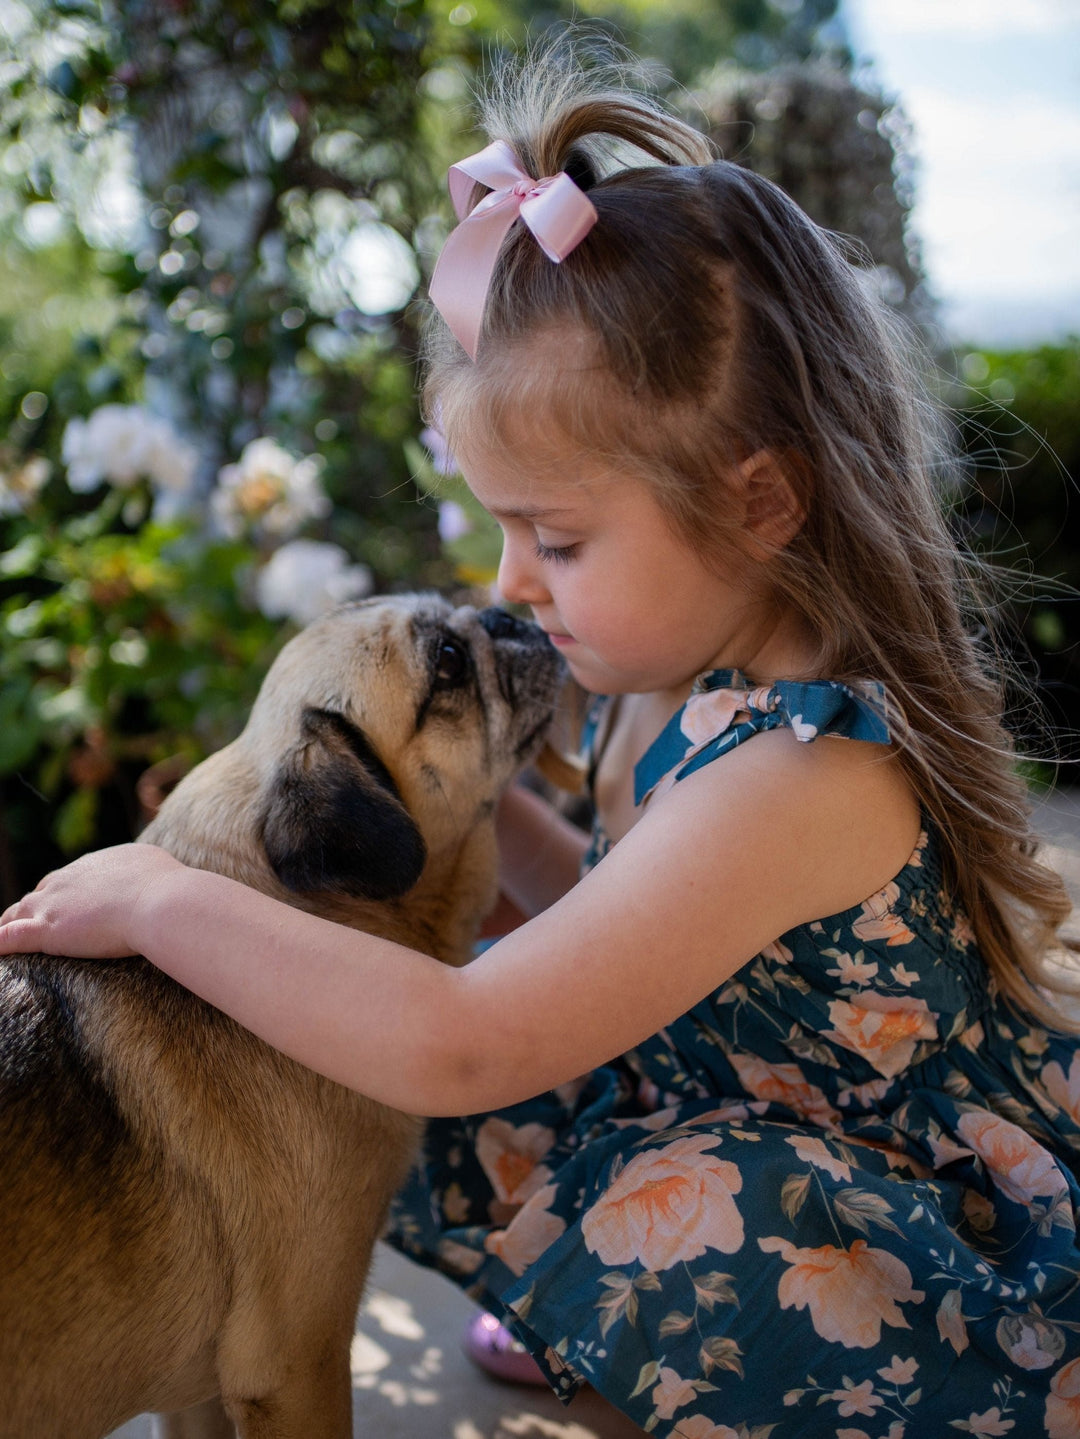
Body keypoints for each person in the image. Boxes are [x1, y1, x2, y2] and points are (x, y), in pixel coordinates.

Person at [4, 41, 1080, 1439]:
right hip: (752, 1094)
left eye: (558, 539)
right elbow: (610, 919)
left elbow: (469, 1046)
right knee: (377, 1052)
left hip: (931, 1243)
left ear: (760, 503)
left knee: (605, 1167)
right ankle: (624, 1317)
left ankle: (761, 1365)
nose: (511, 585)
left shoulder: (803, 775)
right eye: (505, 531)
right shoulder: (707, 679)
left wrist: (159, 898)